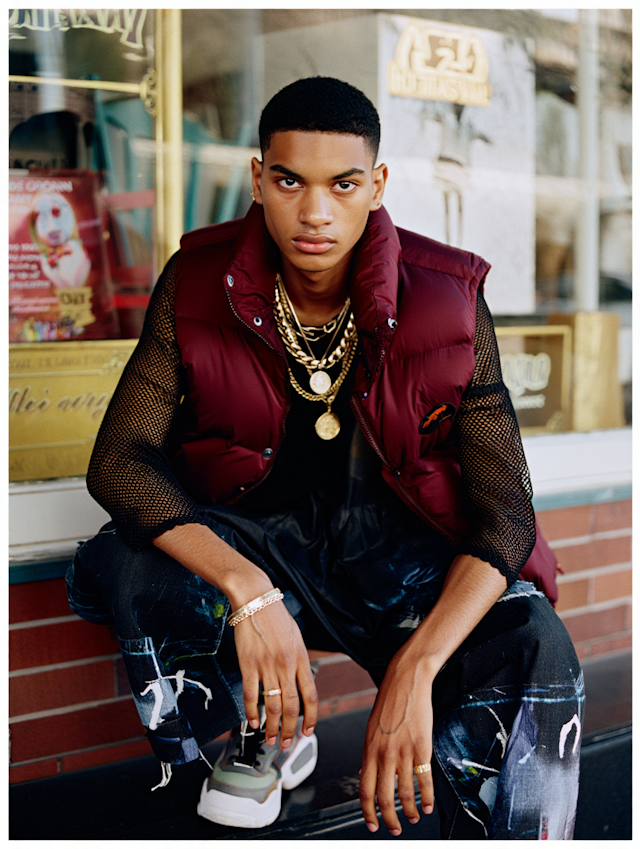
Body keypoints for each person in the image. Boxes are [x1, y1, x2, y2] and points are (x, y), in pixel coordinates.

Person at [67, 77, 584, 839]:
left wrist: (414, 667)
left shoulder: (448, 297)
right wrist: (249, 591)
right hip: (264, 549)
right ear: (257, 179)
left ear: (377, 185)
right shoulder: (199, 280)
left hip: (405, 562)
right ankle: (267, 725)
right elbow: (120, 460)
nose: (315, 212)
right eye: (289, 181)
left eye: (343, 184)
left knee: (533, 637)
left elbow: (507, 515)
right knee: (134, 561)